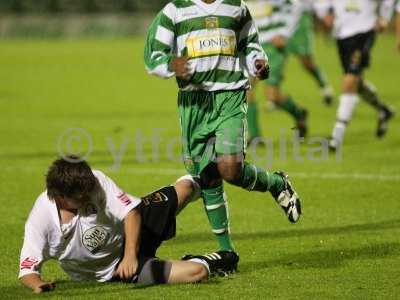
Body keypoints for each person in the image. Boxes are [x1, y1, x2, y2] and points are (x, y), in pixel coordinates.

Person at [144, 0, 302, 255]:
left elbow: (251, 45)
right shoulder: (174, 10)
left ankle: (275, 184)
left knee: (229, 168)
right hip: (194, 103)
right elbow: (152, 54)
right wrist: (172, 65)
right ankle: (227, 250)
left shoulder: (236, 7)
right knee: (207, 175)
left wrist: (258, 63)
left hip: (230, 96)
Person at [19, 156, 238, 294]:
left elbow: (131, 212)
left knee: (187, 188)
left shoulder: (93, 180)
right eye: (81, 197)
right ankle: (206, 260)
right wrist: (37, 284)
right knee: (196, 272)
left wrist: (130, 255)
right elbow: (27, 270)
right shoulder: (40, 221)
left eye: (89, 191)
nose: (89, 197)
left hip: (132, 232)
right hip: (117, 271)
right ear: (61, 197)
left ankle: (210, 171)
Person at [314, 0, 395, 151]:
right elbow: (322, 4)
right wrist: (324, 14)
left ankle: (336, 137)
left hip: (365, 30)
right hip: (342, 34)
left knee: (349, 81)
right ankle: (383, 110)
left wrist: (384, 18)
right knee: (355, 82)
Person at [246, 0, 309, 140]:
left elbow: (296, 6)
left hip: (273, 46)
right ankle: (255, 137)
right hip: (251, 46)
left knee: (272, 95)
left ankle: (299, 115)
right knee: (247, 89)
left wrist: (284, 32)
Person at [287, 0, 334, 106]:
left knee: (306, 62)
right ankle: (274, 96)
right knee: (274, 58)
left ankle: (324, 86)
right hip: (281, 17)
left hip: (300, 20)